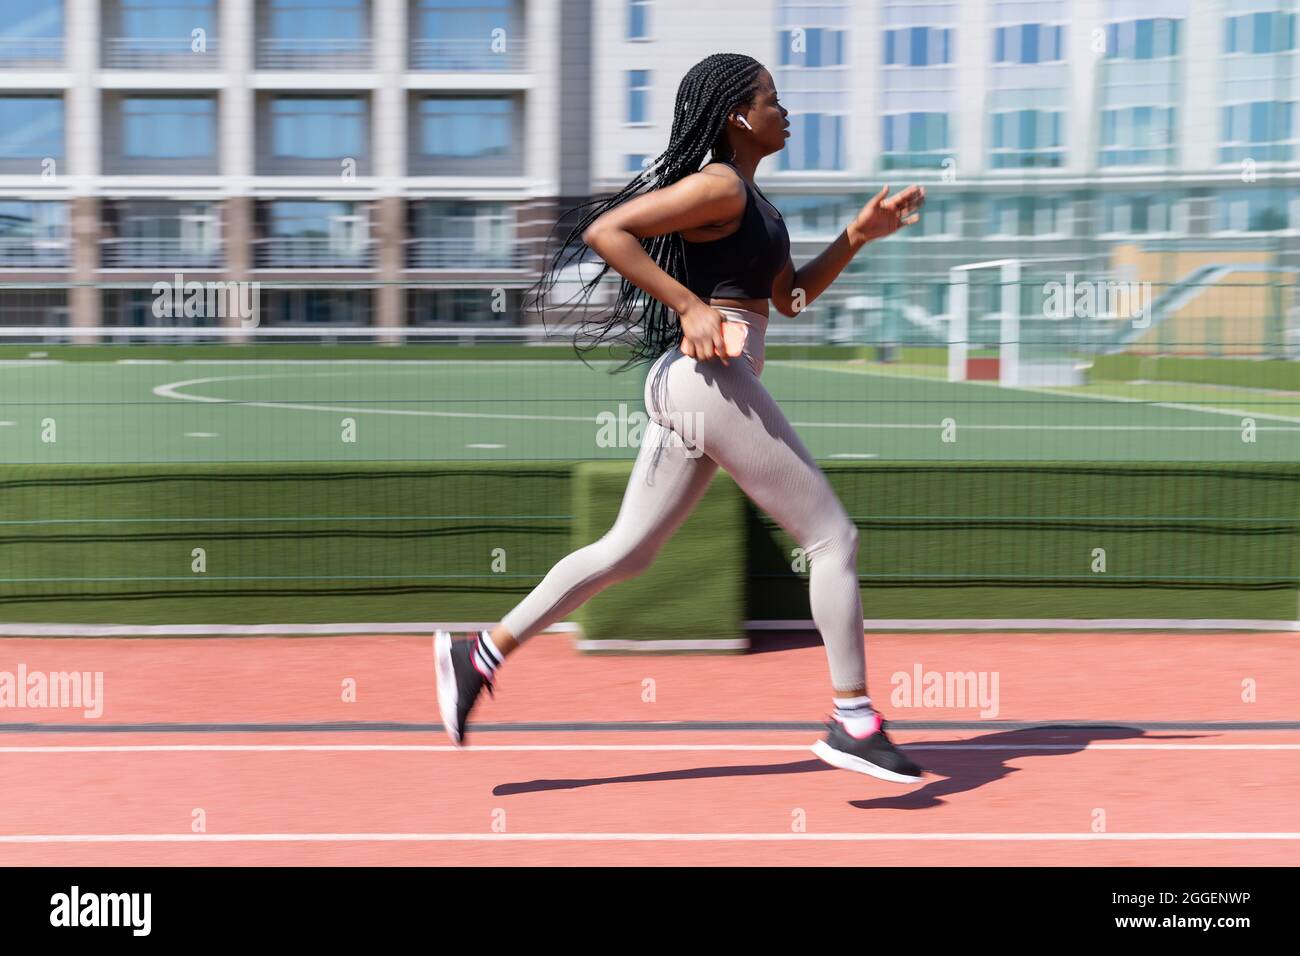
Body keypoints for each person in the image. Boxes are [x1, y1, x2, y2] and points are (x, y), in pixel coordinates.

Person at [435, 52, 927, 783]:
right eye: (772, 98)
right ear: (737, 115)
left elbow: (788, 301)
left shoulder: (756, 206)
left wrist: (856, 238)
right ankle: (854, 721)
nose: (784, 111)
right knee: (833, 538)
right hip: (704, 380)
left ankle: (478, 654)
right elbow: (609, 231)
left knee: (629, 551)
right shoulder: (719, 185)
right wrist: (690, 306)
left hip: (702, 389)